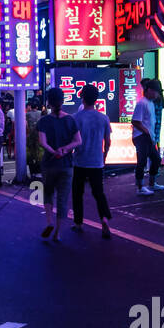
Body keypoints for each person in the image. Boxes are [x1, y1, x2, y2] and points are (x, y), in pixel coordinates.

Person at [36, 87, 80, 242]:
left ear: (48, 102)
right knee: (63, 198)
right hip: (66, 165)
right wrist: (65, 149)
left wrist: (53, 151)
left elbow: (42, 142)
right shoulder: (70, 119)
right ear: (62, 101)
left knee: (48, 193)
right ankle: (58, 233)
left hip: (49, 164)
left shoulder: (43, 121)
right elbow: (78, 141)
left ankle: (49, 222)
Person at [71, 84, 113, 239]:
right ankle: (103, 218)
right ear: (96, 99)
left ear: (83, 98)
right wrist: (104, 156)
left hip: (80, 161)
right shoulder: (103, 118)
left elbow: (72, 141)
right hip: (97, 161)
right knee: (99, 193)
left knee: (77, 193)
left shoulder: (76, 117)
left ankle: (78, 223)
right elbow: (108, 141)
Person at [132, 80, 164, 196]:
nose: (157, 95)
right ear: (149, 90)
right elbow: (135, 121)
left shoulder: (150, 102)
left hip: (147, 137)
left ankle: (151, 184)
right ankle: (140, 188)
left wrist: (151, 135)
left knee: (156, 159)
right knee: (142, 161)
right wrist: (146, 132)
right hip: (141, 137)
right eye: (156, 92)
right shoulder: (142, 103)